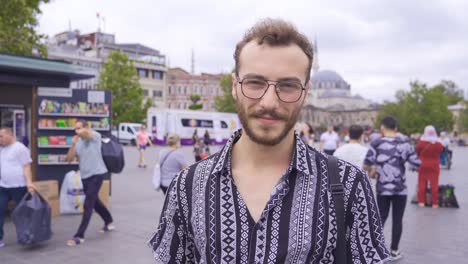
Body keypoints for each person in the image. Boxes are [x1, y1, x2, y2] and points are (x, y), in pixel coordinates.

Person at [149, 18, 389, 263]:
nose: (269, 102)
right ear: (234, 86)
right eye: (255, 83)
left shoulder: (347, 184)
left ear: (306, 93)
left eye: (288, 86)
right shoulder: (188, 185)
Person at [364, 116, 420, 261]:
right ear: (396, 128)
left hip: (382, 188)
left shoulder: (376, 143)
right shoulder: (405, 144)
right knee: (397, 220)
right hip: (400, 189)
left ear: (382, 127)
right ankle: (394, 251)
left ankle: (376, 250)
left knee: (381, 218)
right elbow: (416, 163)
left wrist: (374, 171)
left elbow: (366, 164)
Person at [66, 120, 114, 246]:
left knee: (88, 204)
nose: (76, 131)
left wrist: (82, 132)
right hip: (85, 176)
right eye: (75, 129)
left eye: (79, 128)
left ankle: (79, 235)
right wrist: (72, 145)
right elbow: (69, 159)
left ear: (87, 127)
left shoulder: (95, 136)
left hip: (97, 174)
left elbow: (86, 134)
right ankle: (108, 220)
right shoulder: (78, 142)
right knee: (95, 202)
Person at [0, 127, 35, 248]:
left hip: (18, 186)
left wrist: (29, 183)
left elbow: (26, 167)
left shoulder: (20, 148)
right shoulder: (2, 149)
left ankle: (28, 234)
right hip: (3, 186)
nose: (0, 139)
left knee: (21, 213)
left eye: (1, 136)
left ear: (10, 135)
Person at [416, 126, 443, 208]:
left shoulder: (421, 142)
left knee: (422, 183)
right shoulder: (438, 143)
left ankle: (421, 202)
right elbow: (440, 152)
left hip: (422, 165)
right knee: (434, 184)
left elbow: (417, 151)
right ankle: (434, 203)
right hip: (434, 165)